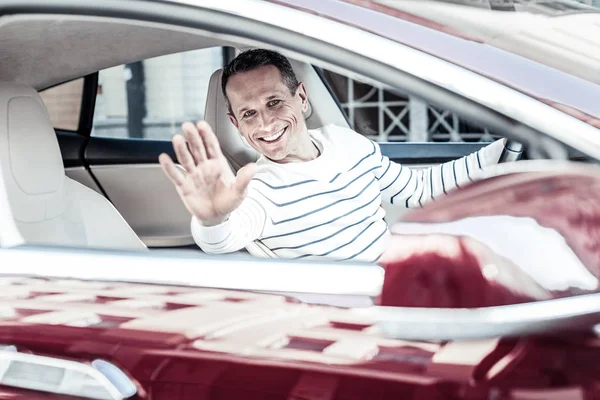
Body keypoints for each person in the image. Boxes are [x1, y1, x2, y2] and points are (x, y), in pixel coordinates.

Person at [159, 49, 507, 262]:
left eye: (274, 102)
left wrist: (505, 151)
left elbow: (417, 188)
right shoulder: (255, 190)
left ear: (302, 99)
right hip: (338, 317)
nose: (265, 122)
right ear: (236, 124)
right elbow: (223, 241)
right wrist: (211, 219)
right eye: (249, 114)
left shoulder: (346, 143)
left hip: (396, 287)